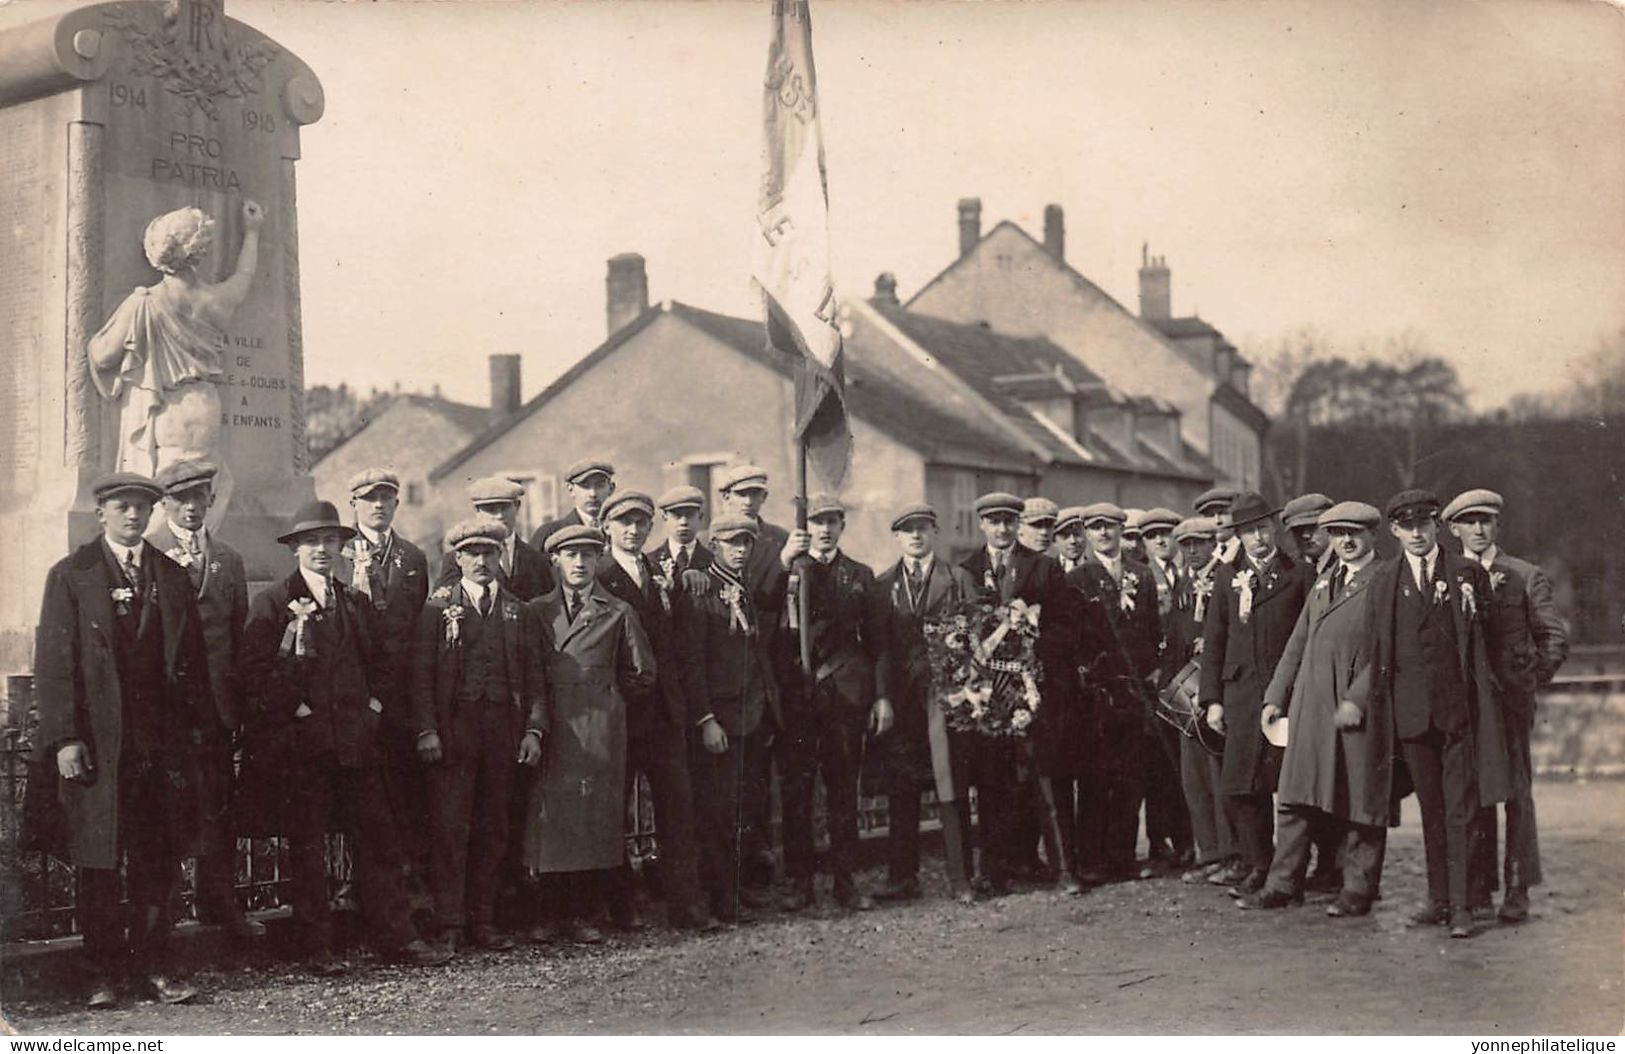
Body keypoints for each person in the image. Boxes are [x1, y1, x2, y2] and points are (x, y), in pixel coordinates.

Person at [240, 500, 451, 974]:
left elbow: (382, 663)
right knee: (309, 846)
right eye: (311, 542)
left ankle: (396, 937)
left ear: (341, 546)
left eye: (329, 541)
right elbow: (253, 672)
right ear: (295, 549)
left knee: (378, 840)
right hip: (305, 746)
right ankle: (317, 946)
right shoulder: (274, 602)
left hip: (357, 742)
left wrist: (374, 707)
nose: (321, 550)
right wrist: (297, 709)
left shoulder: (352, 601)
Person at [26, 472, 212, 1008]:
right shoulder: (72, 575)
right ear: (101, 514)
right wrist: (65, 737)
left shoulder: (171, 576)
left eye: (142, 508)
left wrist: (194, 737)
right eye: (123, 507)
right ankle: (102, 971)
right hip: (100, 745)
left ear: (153, 515)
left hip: (160, 745)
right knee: (99, 860)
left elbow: (192, 664)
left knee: (157, 856)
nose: (133, 517)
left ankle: (155, 968)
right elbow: (55, 666)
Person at [1346, 489, 1510, 938]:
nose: (1416, 534)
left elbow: (1488, 645)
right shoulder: (1384, 582)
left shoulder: (1466, 573)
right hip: (1411, 719)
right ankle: (1438, 898)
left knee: (1461, 811)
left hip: (1459, 716)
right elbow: (1378, 651)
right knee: (1433, 812)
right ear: (1394, 531)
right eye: (1406, 526)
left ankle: (1462, 905)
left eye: (1423, 525)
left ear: (1436, 525)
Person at [1239, 502, 1390, 918]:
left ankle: (1358, 888)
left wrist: (1358, 699)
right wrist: (1275, 697)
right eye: (1338, 533)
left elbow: (1389, 654)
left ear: (1371, 535)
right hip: (1310, 704)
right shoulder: (1325, 582)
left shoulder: (1385, 582)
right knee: (1294, 796)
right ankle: (1283, 883)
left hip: (1354, 709)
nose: (1346, 541)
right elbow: (1297, 643)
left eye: (1354, 533)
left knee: (1362, 800)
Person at [410, 519, 547, 954]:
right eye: (473, 554)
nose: (482, 562)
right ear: (458, 558)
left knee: (494, 827)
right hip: (454, 732)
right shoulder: (437, 608)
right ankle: (450, 922)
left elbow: (535, 677)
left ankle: (483, 919)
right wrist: (427, 729)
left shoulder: (516, 611)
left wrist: (533, 730)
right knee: (451, 828)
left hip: (502, 732)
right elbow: (420, 676)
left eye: (490, 553)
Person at [146, 459, 262, 942]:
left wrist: (237, 706)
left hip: (216, 708)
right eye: (182, 500)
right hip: (169, 709)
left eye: (200, 498)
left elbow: (238, 639)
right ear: (167, 504)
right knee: (167, 811)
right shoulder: (150, 554)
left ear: (210, 501)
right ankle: (164, 914)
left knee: (218, 808)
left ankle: (220, 904)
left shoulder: (229, 559)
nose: (192, 508)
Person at [523, 524, 656, 943]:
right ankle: (549, 913)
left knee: (590, 820)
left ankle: (584, 913)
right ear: (555, 561)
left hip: (597, 727)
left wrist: (607, 697)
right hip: (550, 724)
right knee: (551, 819)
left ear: (598, 560)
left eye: (586, 555)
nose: (579, 563)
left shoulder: (617, 611)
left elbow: (642, 672)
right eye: (570, 555)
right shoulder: (536, 611)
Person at [86, 202, 263, 513]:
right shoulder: (215, 301)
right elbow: (244, 276)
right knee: (202, 492)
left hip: (169, 408)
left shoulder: (143, 303)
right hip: (206, 403)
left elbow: (102, 358)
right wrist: (253, 232)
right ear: (199, 247)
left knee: (167, 491)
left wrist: (90, 342)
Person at [1445, 488, 1569, 923]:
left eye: (1486, 521)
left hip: (1509, 703)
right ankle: (1477, 888)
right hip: (1463, 706)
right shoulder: (1447, 574)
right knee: (1469, 792)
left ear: (1497, 526)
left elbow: (1552, 636)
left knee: (1516, 792)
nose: (1478, 530)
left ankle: (1518, 887)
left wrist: (1530, 681)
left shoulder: (1523, 574)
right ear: (1454, 527)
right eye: (1470, 522)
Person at [593, 491, 716, 932]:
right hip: (622, 713)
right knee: (615, 813)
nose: (633, 530)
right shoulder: (600, 576)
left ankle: (686, 907)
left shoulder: (659, 571)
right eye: (623, 522)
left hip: (663, 713)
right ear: (607, 527)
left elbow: (678, 646)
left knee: (676, 812)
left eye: (641, 523)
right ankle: (621, 909)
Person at [776, 495, 886, 912]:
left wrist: (879, 696)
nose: (824, 529)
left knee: (843, 791)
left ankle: (845, 880)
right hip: (800, 697)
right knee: (797, 792)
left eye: (832, 522)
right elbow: (768, 612)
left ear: (842, 526)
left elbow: (877, 641)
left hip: (844, 697)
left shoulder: (860, 575)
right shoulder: (792, 570)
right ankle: (800, 882)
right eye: (817, 522)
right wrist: (786, 565)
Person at [956, 492, 1070, 893]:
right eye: (993, 521)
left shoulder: (1044, 568)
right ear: (982, 525)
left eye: (1008, 521)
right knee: (992, 780)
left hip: (1032, 689)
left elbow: (1065, 630)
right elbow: (960, 633)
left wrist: (1032, 637)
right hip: (989, 694)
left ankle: (1062, 868)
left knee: (1043, 779)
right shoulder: (966, 570)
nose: (1001, 529)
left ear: (1017, 524)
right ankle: (995, 870)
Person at [1199, 491, 1309, 896]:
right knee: (1244, 785)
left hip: (1285, 694)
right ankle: (1257, 863)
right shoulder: (1228, 578)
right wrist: (1211, 699)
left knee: (1289, 783)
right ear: (1239, 536)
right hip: (1241, 694)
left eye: (1263, 528)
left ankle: (1292, 869)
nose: (1258, 538)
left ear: (1275, 529)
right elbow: (1215, 641)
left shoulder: (1297, 574)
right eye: (1249, 532)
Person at [872, 504, 981, 902]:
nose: (916, 537)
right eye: (907, 530)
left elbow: (977, 638)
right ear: (897, 537)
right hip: (903, 702)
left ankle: (960, 877)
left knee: (951, 783)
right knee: (902, 786)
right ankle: (903, 878)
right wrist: (883, 696)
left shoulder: (957, 579)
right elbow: (880, 649)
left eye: (922, 529)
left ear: (934, 532)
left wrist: (966, 690)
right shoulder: (883, 585)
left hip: (946, 699)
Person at [674, 516, 780, 922]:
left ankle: (733, 893)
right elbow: (692, 664)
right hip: (719, 721)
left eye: (746, 543)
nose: (740, 550)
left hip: (751, 717)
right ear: (714, 544)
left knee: (743, 810)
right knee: (716, 813)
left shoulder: (742, 589)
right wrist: (705, 719)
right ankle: (718, 899)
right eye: (732, 543)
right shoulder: (699, 592)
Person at [341, 469, 433, 908]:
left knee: (402, 793)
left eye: (386, 498)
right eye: (369, 498)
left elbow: (418, 631)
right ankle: (353, 885)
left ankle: (403, 889)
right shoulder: (336, 555)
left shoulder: (412, 559)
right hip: (351, 695)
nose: (378, 506)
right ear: (354, 504)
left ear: (396, 504)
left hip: (397, 697)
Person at [1065, 502, 1161, 884]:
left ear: (1122, 530)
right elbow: (1074, 640)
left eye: (1111, 527)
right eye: (1096, 528)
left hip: (1134, 692)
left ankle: (1123, 856)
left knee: (1130, 777)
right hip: (1096, 695)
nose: (1104, 534)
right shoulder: (1078, 578)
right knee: (1094, 778)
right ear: (1087, 534)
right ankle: (1091, 859)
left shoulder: (1142, 574)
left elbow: (1153, 631)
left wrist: (1149, 675)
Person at [714, 464, 796, 898]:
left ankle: (759, 868)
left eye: (757, 494)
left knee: (759, 784)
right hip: (727, 681)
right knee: (726, 789)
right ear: (725, 496)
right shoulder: (717, 543)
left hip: (768, 677)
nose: (749, 501)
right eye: (741, 493)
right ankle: (730, 879)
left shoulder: (781, 538)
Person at [1164, 516, 1239, 885]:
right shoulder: (1183, 581)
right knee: (1194, 776)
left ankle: (1231, 852)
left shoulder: (1228, 576)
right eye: (1186, 545)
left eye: (1199, 544)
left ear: (1214, 543)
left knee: (1219, 773)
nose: (1192, 551)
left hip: (1216, 688)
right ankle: (1208, 850)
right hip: (1186, 690)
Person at [1278, 491, 1341, 887]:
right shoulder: (1309, 570)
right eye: (1298, 532)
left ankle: (1335, 868)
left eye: (1312, 530)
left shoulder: (1341, 567)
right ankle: (1325, 866)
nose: (1306, 538)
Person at [1138, 507, 1193, 870]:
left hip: (1185, 676)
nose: (1161, 540)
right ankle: (1160, 841)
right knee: (1157, 764)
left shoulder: (1187, 574)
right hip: (1154, 680)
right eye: (1153, 535)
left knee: (1183, 763)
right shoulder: (1142, 576)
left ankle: (1187, 839)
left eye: (1166, 533)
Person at [437, 476, 553, 601]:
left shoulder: (537, 559)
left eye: (505, 508)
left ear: (517, 506)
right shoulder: (457, 559)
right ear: (477, 511)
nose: (499, 516)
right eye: (491, 509)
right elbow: (446, 606)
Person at [530, 458, 616, 549]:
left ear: (611, 488)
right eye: (585, 486)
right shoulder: (548, 533)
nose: (593, 494)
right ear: (571, 489)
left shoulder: (623, 532)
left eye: (600, 485)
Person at [655, 484, 713, 580]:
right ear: (664, 518)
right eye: (676, 516)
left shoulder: (712, 561)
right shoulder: (651, 562)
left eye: (690, 515)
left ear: (700, 517)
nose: (684, 522)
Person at [1052, 507, 1088, 573]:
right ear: (1054, 541)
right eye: (1066, 536)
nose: (1073, 541)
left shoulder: (1098, 568)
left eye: (1077, 534)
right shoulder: (1047, 571)